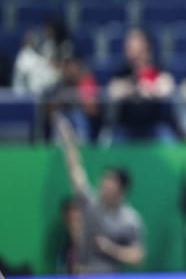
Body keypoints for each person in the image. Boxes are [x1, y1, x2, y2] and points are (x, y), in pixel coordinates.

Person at [54, 113, 145, 273]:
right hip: (82, 272)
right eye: (103, 180)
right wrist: (68, 142)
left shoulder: (130, 219)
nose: (104, 185)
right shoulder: (90, 203)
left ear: (121, 188)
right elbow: (75, 171)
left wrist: (111, 248)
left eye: (110, 182)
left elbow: (138, 256)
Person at [106, 27, 177, 143]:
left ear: (145, 45)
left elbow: (166, 88)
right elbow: (113, 91)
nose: (128, 46)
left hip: (155, 126)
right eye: (128, 42)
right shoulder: (121, 72)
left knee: (169, 139)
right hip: (126, 127)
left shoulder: (158, 69)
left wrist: (152, 89)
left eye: (133, 41)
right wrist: (135, 89)